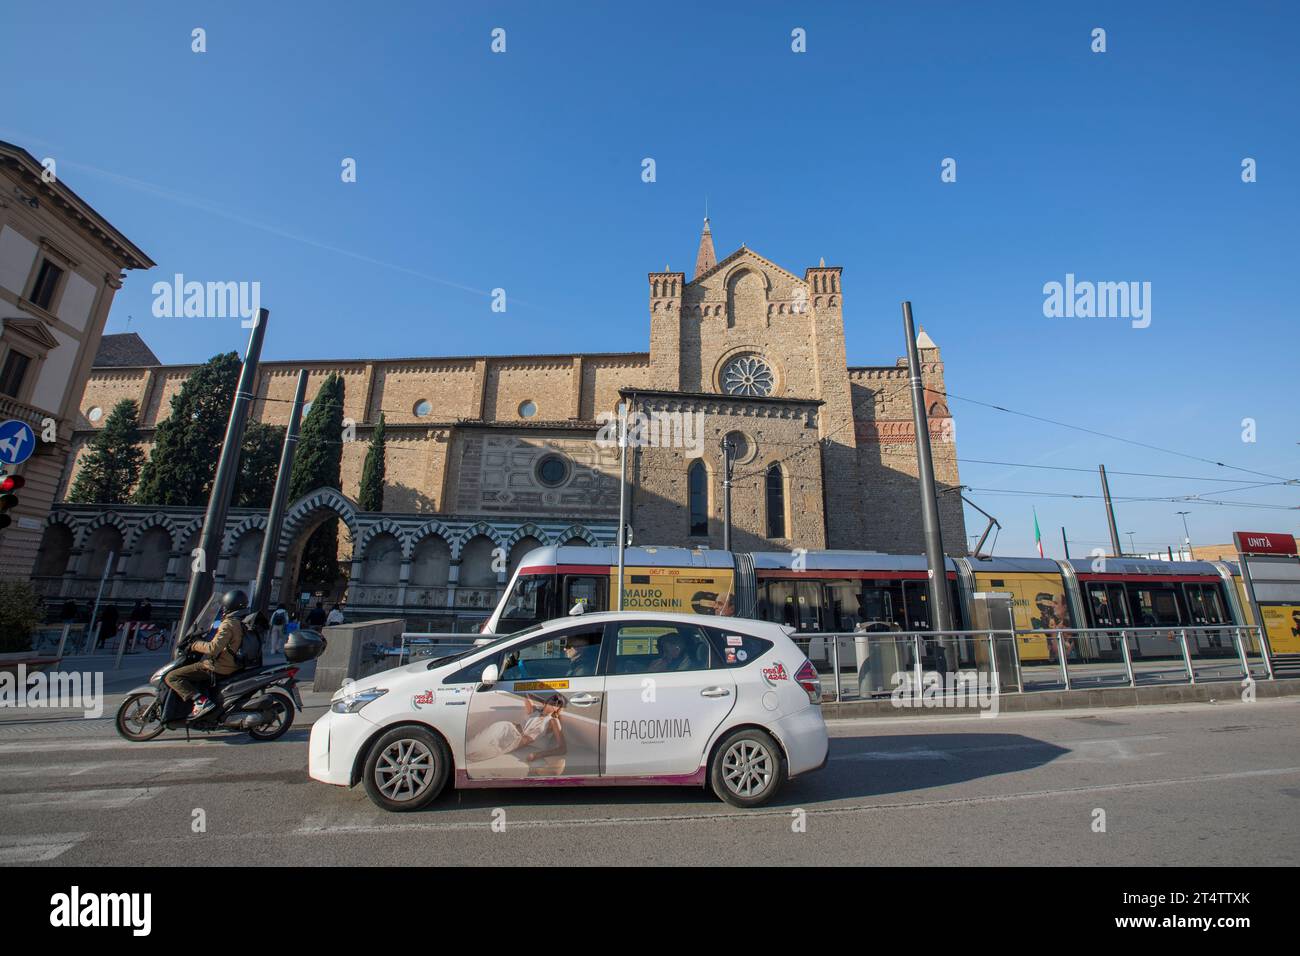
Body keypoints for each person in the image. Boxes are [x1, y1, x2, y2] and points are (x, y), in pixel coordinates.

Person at [164, 590, 247, 719]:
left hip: (218, 667)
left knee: (172, 676)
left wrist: (194, 644)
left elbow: (213, 648)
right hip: (233, 664)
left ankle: (200, 701)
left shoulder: (228, 624)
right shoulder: (241, 622)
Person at [465, 693, 567, 774]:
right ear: (547, 701)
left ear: (559, 708)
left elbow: (562, 749)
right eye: (554, 699)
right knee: (474, 745)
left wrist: (538, 755)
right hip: (505, 728)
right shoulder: (535, 710)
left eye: (559, 703)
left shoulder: (553, 721)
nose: (556, 703)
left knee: (479, 756)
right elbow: (526, 695)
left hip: (515, 741)